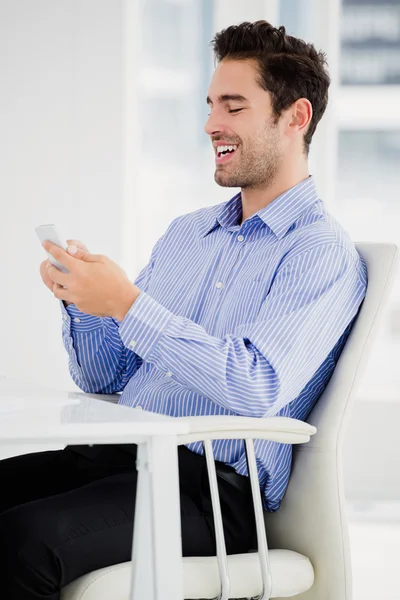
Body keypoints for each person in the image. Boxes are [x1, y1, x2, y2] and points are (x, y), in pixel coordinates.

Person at [0, 21, 367, 599]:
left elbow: (257, 385)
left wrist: (127, 301)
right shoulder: (188, 234)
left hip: (211, 491)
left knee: (21, 542)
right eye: (211, 104)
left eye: (234, 106)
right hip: (119, 458)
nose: (211, 124)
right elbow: (106, 376)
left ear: (295, 118)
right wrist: (87, 302)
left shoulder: (320, 252)